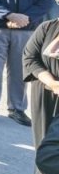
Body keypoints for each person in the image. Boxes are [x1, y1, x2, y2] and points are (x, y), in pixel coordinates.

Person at [23, 17, 59, 157]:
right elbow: (30, 58)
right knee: (44, 144)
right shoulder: (47, 27)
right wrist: (52, 83)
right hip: (45, 93)